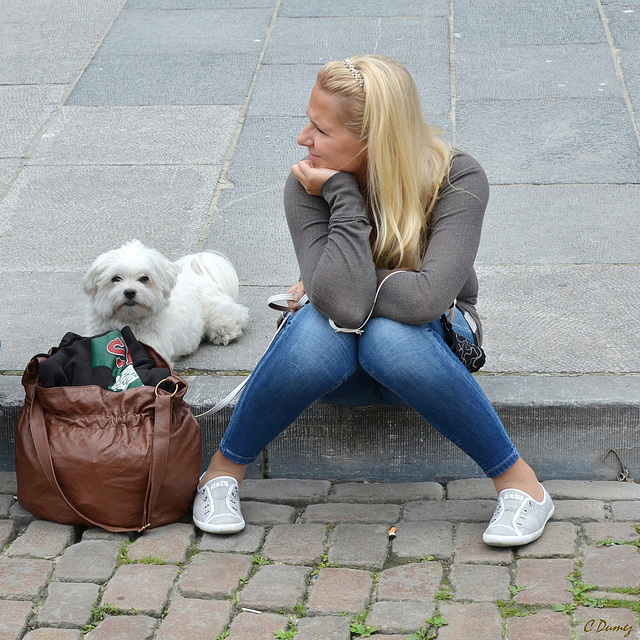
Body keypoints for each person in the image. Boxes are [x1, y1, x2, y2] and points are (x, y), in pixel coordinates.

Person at [192, 55, 554, 547]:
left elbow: (425, 301)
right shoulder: (310, 183)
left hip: (430, 353)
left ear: (371, 139)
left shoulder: (457, 177)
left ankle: (522, 486)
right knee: (324, 330)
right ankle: (222, 472)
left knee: (387, 335)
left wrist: (345, 289)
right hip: (335, 364)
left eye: (320, 129)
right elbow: (343, 307)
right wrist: (343, 196)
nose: (303, 139)